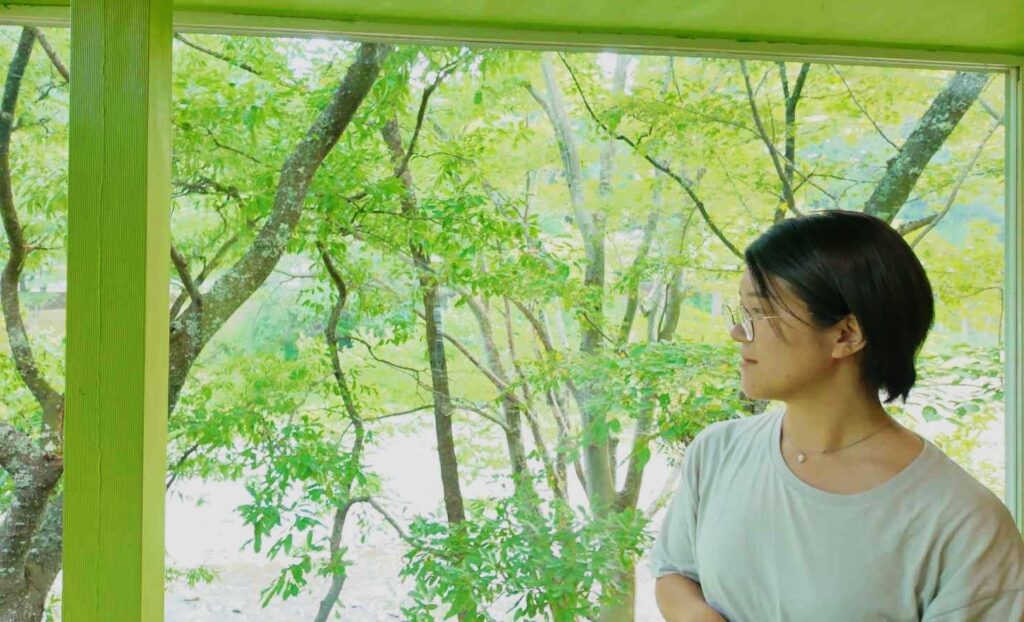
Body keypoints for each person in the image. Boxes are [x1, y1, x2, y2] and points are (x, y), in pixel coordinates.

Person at [651, 210, 1024, 621]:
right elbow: (675, 572)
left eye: (759, 313)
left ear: (847, 334)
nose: (738, 332)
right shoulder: (718, 453)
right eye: (742, 313)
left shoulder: (963, 522)